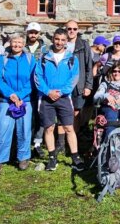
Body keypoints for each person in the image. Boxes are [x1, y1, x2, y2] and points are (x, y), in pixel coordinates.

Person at [34, 28, 84, 172]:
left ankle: (75, 157)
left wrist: (61, 92)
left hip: (63, 97)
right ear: (53, 39)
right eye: (57, 39)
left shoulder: (72, 58)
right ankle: (52, 158)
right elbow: (38, 76)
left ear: (66, 41)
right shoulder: (44, 58)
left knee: (68, 127)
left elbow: (74, 78)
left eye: (63, 40)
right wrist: (47, 91)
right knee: (49, 128)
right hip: (46, 98)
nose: (59, 42)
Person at [0, 34, 36, 177]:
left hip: (24, 100)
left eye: (20, 42)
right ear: (10, 43)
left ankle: (23, 158)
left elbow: (33, 80)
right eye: (14, 42)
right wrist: (10, 94)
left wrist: (20, 95)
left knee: (24, 129)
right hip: (6, 100)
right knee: (2, 129)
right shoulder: (2, 59)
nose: (17, 45)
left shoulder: (29, 59)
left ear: (24, 44)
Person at [56, 21, 94, 154]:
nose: (72, 31)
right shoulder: (59, 44)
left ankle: (72, 140)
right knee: (61, 112)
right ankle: (60, 143)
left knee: (76, 113)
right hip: (62, 84)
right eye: (69, 29)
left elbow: (89, 65)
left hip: (79, 84)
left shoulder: (83, 45)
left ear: (78, 30)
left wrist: (88, 85)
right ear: (65, 30)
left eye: (74, 29)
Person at [24, 22, 49, 158]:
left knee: (40, 115)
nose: (33, 34)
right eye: (31, 32)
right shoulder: (21, 47)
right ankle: (24, 141)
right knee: (26, 115)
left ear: (39, 34)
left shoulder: (46, 49)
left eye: (35, 32)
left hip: (40, 86)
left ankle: (37, 143)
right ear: (27, 33)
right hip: (24, 86)